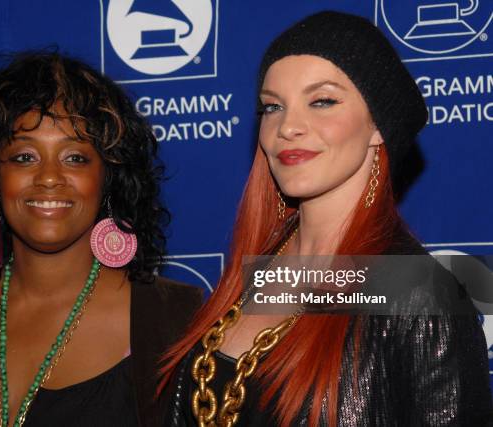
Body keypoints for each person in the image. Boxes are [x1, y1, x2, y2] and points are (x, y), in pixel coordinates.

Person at [159, 11, 492, 426]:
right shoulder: (260, 268)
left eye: (322, 101)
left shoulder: (416, 294)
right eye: (272, 106)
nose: (288, 126)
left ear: (378, 126)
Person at [0, 51, 201, 427]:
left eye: (75, 157)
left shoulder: (173, 320)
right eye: (24, 157)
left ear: (108, 178)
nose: (49, 177)